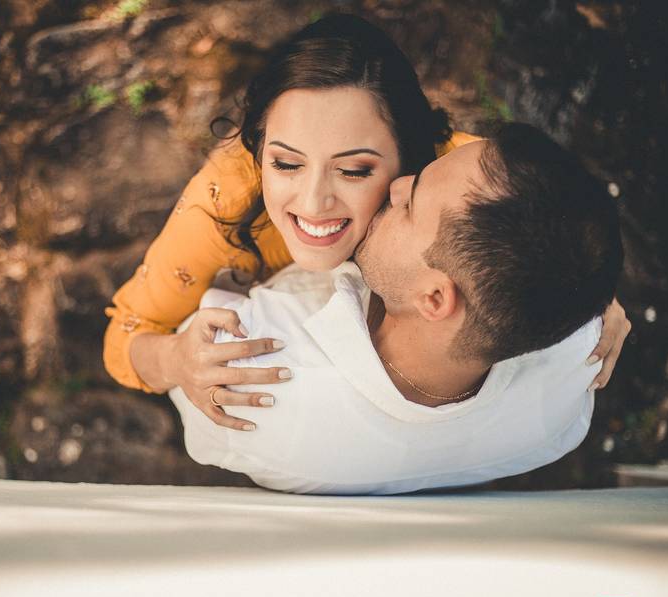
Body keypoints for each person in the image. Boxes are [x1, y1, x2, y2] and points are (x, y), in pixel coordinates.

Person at [104, 14, 629, 431]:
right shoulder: (229, 194)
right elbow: (125, 334)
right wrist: (175, 358)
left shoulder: (458, 171)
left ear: (409, 159)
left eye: (354, 169)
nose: (312, 201)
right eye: (285, 163)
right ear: (259, 148)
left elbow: (552, 232)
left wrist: (590, 293)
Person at [169, 123, 626, 495]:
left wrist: (171, 354)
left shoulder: (256, 376)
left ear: (434, 299)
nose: (398, 185)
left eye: (411, 205)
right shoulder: (566, 395)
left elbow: (184, 345)